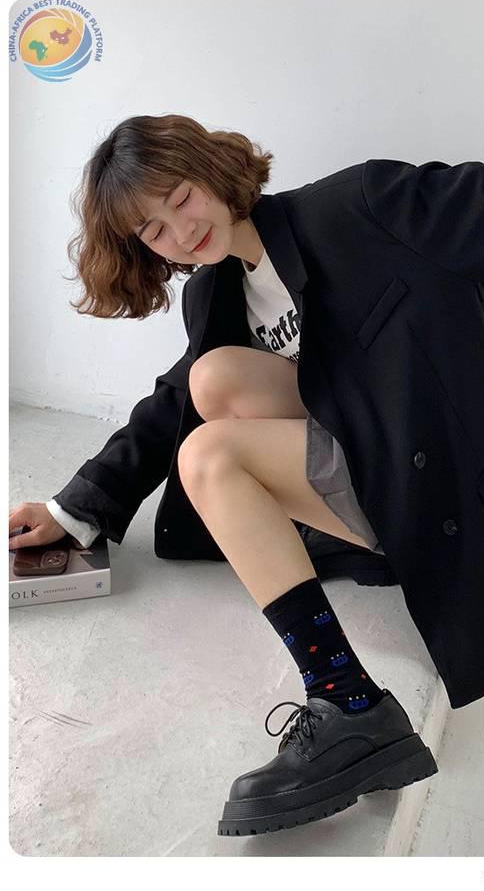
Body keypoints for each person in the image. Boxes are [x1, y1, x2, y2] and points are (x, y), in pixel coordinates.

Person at [8, 114, 439, 837]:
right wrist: (71, 508)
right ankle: (350, 686)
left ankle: (348, 699)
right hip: (362, 483)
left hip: (425, 480)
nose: (180, 232)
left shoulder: (339, 221)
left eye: (181, 198)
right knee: (210, 380)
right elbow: (171, 402)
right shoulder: (218, 291)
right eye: (153, 229)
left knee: (209, 454)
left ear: (210, 170)